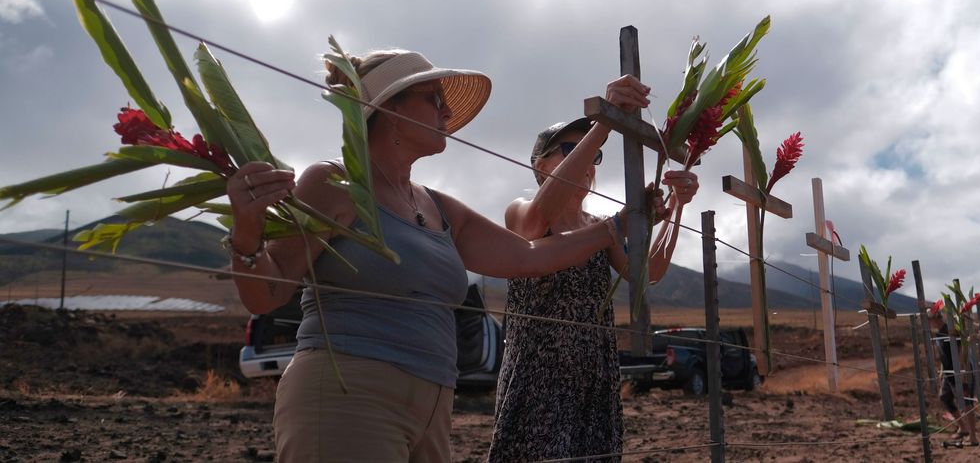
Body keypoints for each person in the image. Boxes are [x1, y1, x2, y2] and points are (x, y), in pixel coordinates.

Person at [224, 49, 668, 462]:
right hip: (350, 391)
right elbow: (267, 292)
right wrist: (246, 230)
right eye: (434, 98)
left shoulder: (437, 206)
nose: (448, 112)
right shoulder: (333, 183)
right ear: (391, 108)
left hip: (434, 403)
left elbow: (529, 256)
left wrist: (616, 226)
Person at [488, 75, 700, 462]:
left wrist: (677, 205)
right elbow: (537, 222)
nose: (587, 161)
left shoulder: (600, 226)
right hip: (539, 380)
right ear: (539, 165)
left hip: (595, 378)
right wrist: (604, 124)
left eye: (592, 153)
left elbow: (646, 273)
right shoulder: (521, 211)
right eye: (570, 150)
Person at [927, 300, 979, 446]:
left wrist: (963, 369)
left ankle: (973, 437)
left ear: (937, 317)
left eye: (930, 319)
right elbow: (945, 355)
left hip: (961, 370)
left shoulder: (951, 331)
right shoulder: (939, 335)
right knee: (944, 397)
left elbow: (962, 348)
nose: (928, 322)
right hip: (949, 373)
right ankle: (963, 428)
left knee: (966, 403)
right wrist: (943, 372)